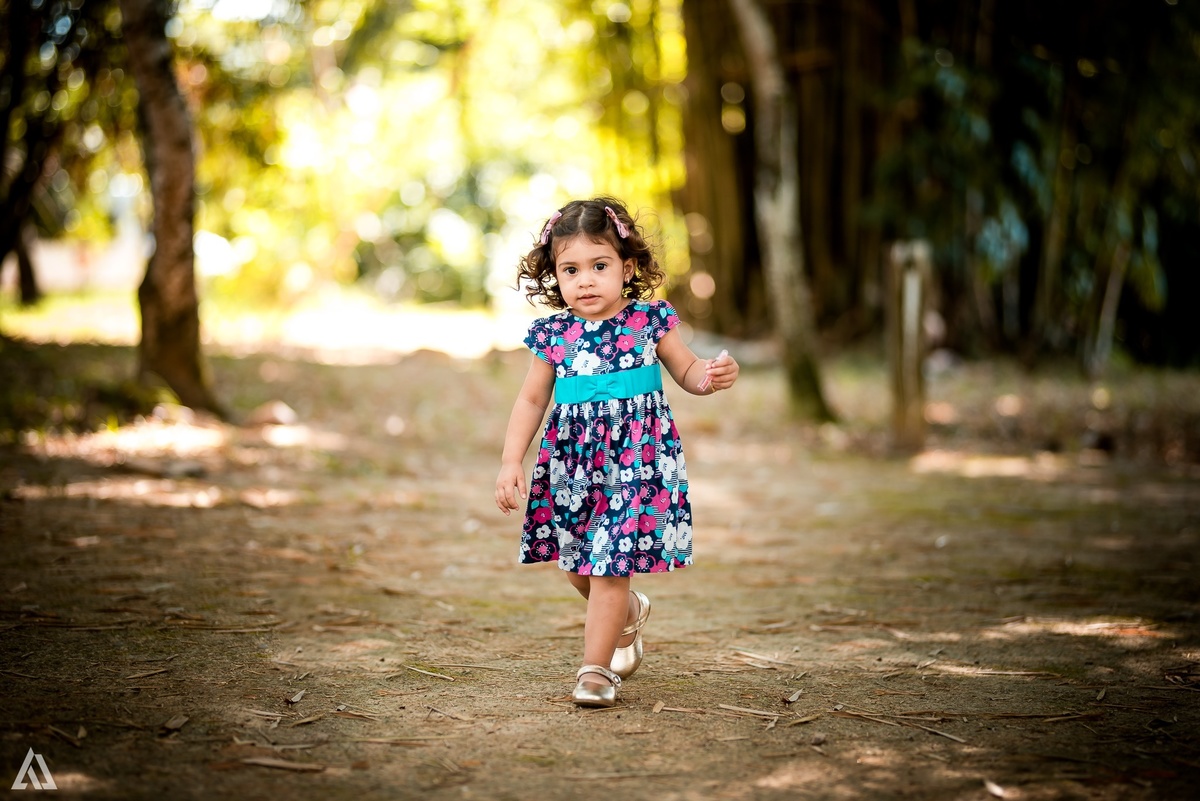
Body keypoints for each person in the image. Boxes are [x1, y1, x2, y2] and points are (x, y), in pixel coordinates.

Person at [494, 197, 739, 707]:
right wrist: (510, 460)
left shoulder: (650, 321)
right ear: (555, 275)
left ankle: (596, 670)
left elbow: (689, 372)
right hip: (572, 465)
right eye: (571, 269)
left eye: (599, 266)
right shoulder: (554, 335)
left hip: (638, 462)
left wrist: (711, 377)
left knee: (609, 565)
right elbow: (532, 399)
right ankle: (627, 613)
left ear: (626, 268)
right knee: (576, 565)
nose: (585, 280)